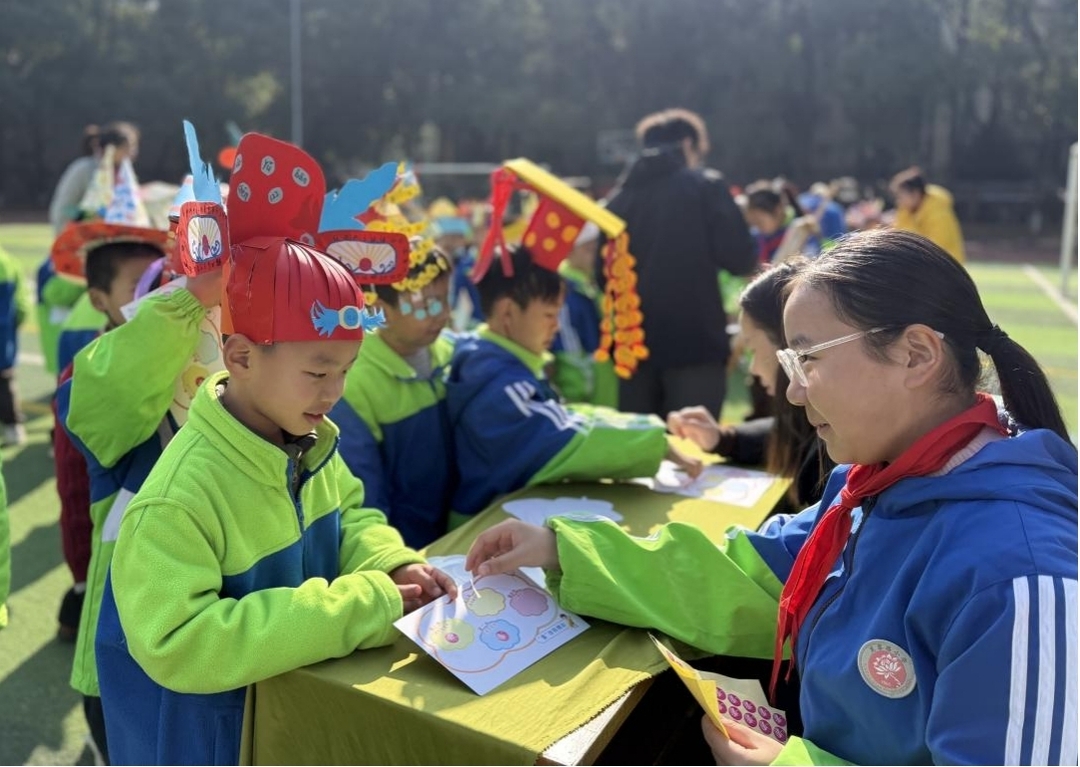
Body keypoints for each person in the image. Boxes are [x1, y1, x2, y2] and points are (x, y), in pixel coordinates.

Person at [466, 229, 1077, 766]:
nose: (790, 392)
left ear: (916, 354)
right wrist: (563, 549)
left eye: (808, 357)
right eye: (789, 359)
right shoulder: (872, 485)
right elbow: (751, 577)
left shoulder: (1020, 579)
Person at [96, 236, 454, 766]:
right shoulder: (176, 500)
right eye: (317, 371)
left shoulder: (311, 441)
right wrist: (362, 605)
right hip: (213, 748)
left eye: (346, 370)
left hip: (293, 726)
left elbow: (352, 515)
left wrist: (390, 560)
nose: (334, 392)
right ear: (240, 356)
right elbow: (181, 643)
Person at [54, 224, 201, 764]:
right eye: (152, 291)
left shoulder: (218, 382)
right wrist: (75, 570)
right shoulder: (93, 378)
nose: (169, 300)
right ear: (104, 301)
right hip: (121, 632)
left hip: (191, 634)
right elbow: (74, 491)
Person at [447, 245, 701, 523]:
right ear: (508, 311)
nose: (555, 327)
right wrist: (655, 443)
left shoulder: (495, 362)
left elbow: (564, 413)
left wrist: (645, 427)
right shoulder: (500, 385)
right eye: (549, 315)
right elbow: (563, 435)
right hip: (481, 527)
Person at [605, 108, 757, 419]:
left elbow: (602, 275)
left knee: (641, 454)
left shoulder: (617, 200)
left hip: (632, 348)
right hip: (695, 343)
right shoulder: (705, 186)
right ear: (688, 145)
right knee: (694, 448)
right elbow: (740, 258)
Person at [669, 260, 834, 510]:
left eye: (754, 350)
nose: (754, 369)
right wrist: (723, 438)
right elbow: (789, 431)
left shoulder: (838, 452)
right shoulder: (821, 425)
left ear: (789, 344)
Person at [329, 243, 458, 548]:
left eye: (444, 300)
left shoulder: (453, 353)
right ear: (381, 310)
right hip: (408, 548)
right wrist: (391, 559)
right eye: (426, 304)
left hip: (462, 531)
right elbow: (364, 494)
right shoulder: (353, 384)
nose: (442, 315)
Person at [550, 222, 619, 407]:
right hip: (584, 392)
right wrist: (579, 388)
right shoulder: (564, 290)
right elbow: (567, 348)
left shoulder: (589, 285)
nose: (596, 256)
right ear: (569, 251)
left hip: (603, 380)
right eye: (589, 250)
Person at [890, 167, 966, 264]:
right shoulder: (906, 211)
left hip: (946, 266)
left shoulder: (938, 213)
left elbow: (936, 247)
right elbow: (899, 235)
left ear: (915, 194)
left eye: (900, 196)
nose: (899, 201)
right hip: (923, 265)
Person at [743, 180, 820, 265]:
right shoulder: (758, 236)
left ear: (778, 210)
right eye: (753, 223)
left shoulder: (803, 229)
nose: (757, 227)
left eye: (759, 222)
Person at [0, 243, 30, 446]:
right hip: (4, 336)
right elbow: (21, 304)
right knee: (6, 380)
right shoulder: (9, 261)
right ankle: (13, 425)